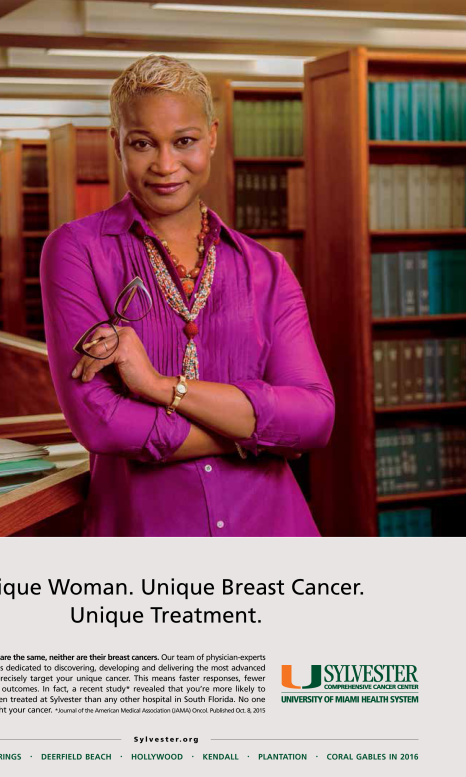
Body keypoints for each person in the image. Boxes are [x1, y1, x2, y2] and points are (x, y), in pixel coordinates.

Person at [40, 54, 334, 537]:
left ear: (212, 137)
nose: (165, 165)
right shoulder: (77, 251)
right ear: (116, 143)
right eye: (142, 143)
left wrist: (157, 386)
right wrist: (255, 434)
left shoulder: (266, 269)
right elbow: (103, 424)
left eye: (184, 141)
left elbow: (315, 418)